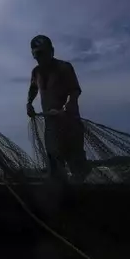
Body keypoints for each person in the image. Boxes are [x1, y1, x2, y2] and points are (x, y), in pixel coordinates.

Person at [26, 35, 92, 183]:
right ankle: (59, 186)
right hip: (51, 122)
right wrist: (29, 103)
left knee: (75, 157)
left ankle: (80, 181)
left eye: (42, 53)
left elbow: (75, 90)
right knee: (53, 158)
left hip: (69, 121)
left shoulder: (64, 67)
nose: (39, 58)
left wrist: (68, 105)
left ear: (52, 51)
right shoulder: (36, 72)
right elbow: (33, 88)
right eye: (36, 54)